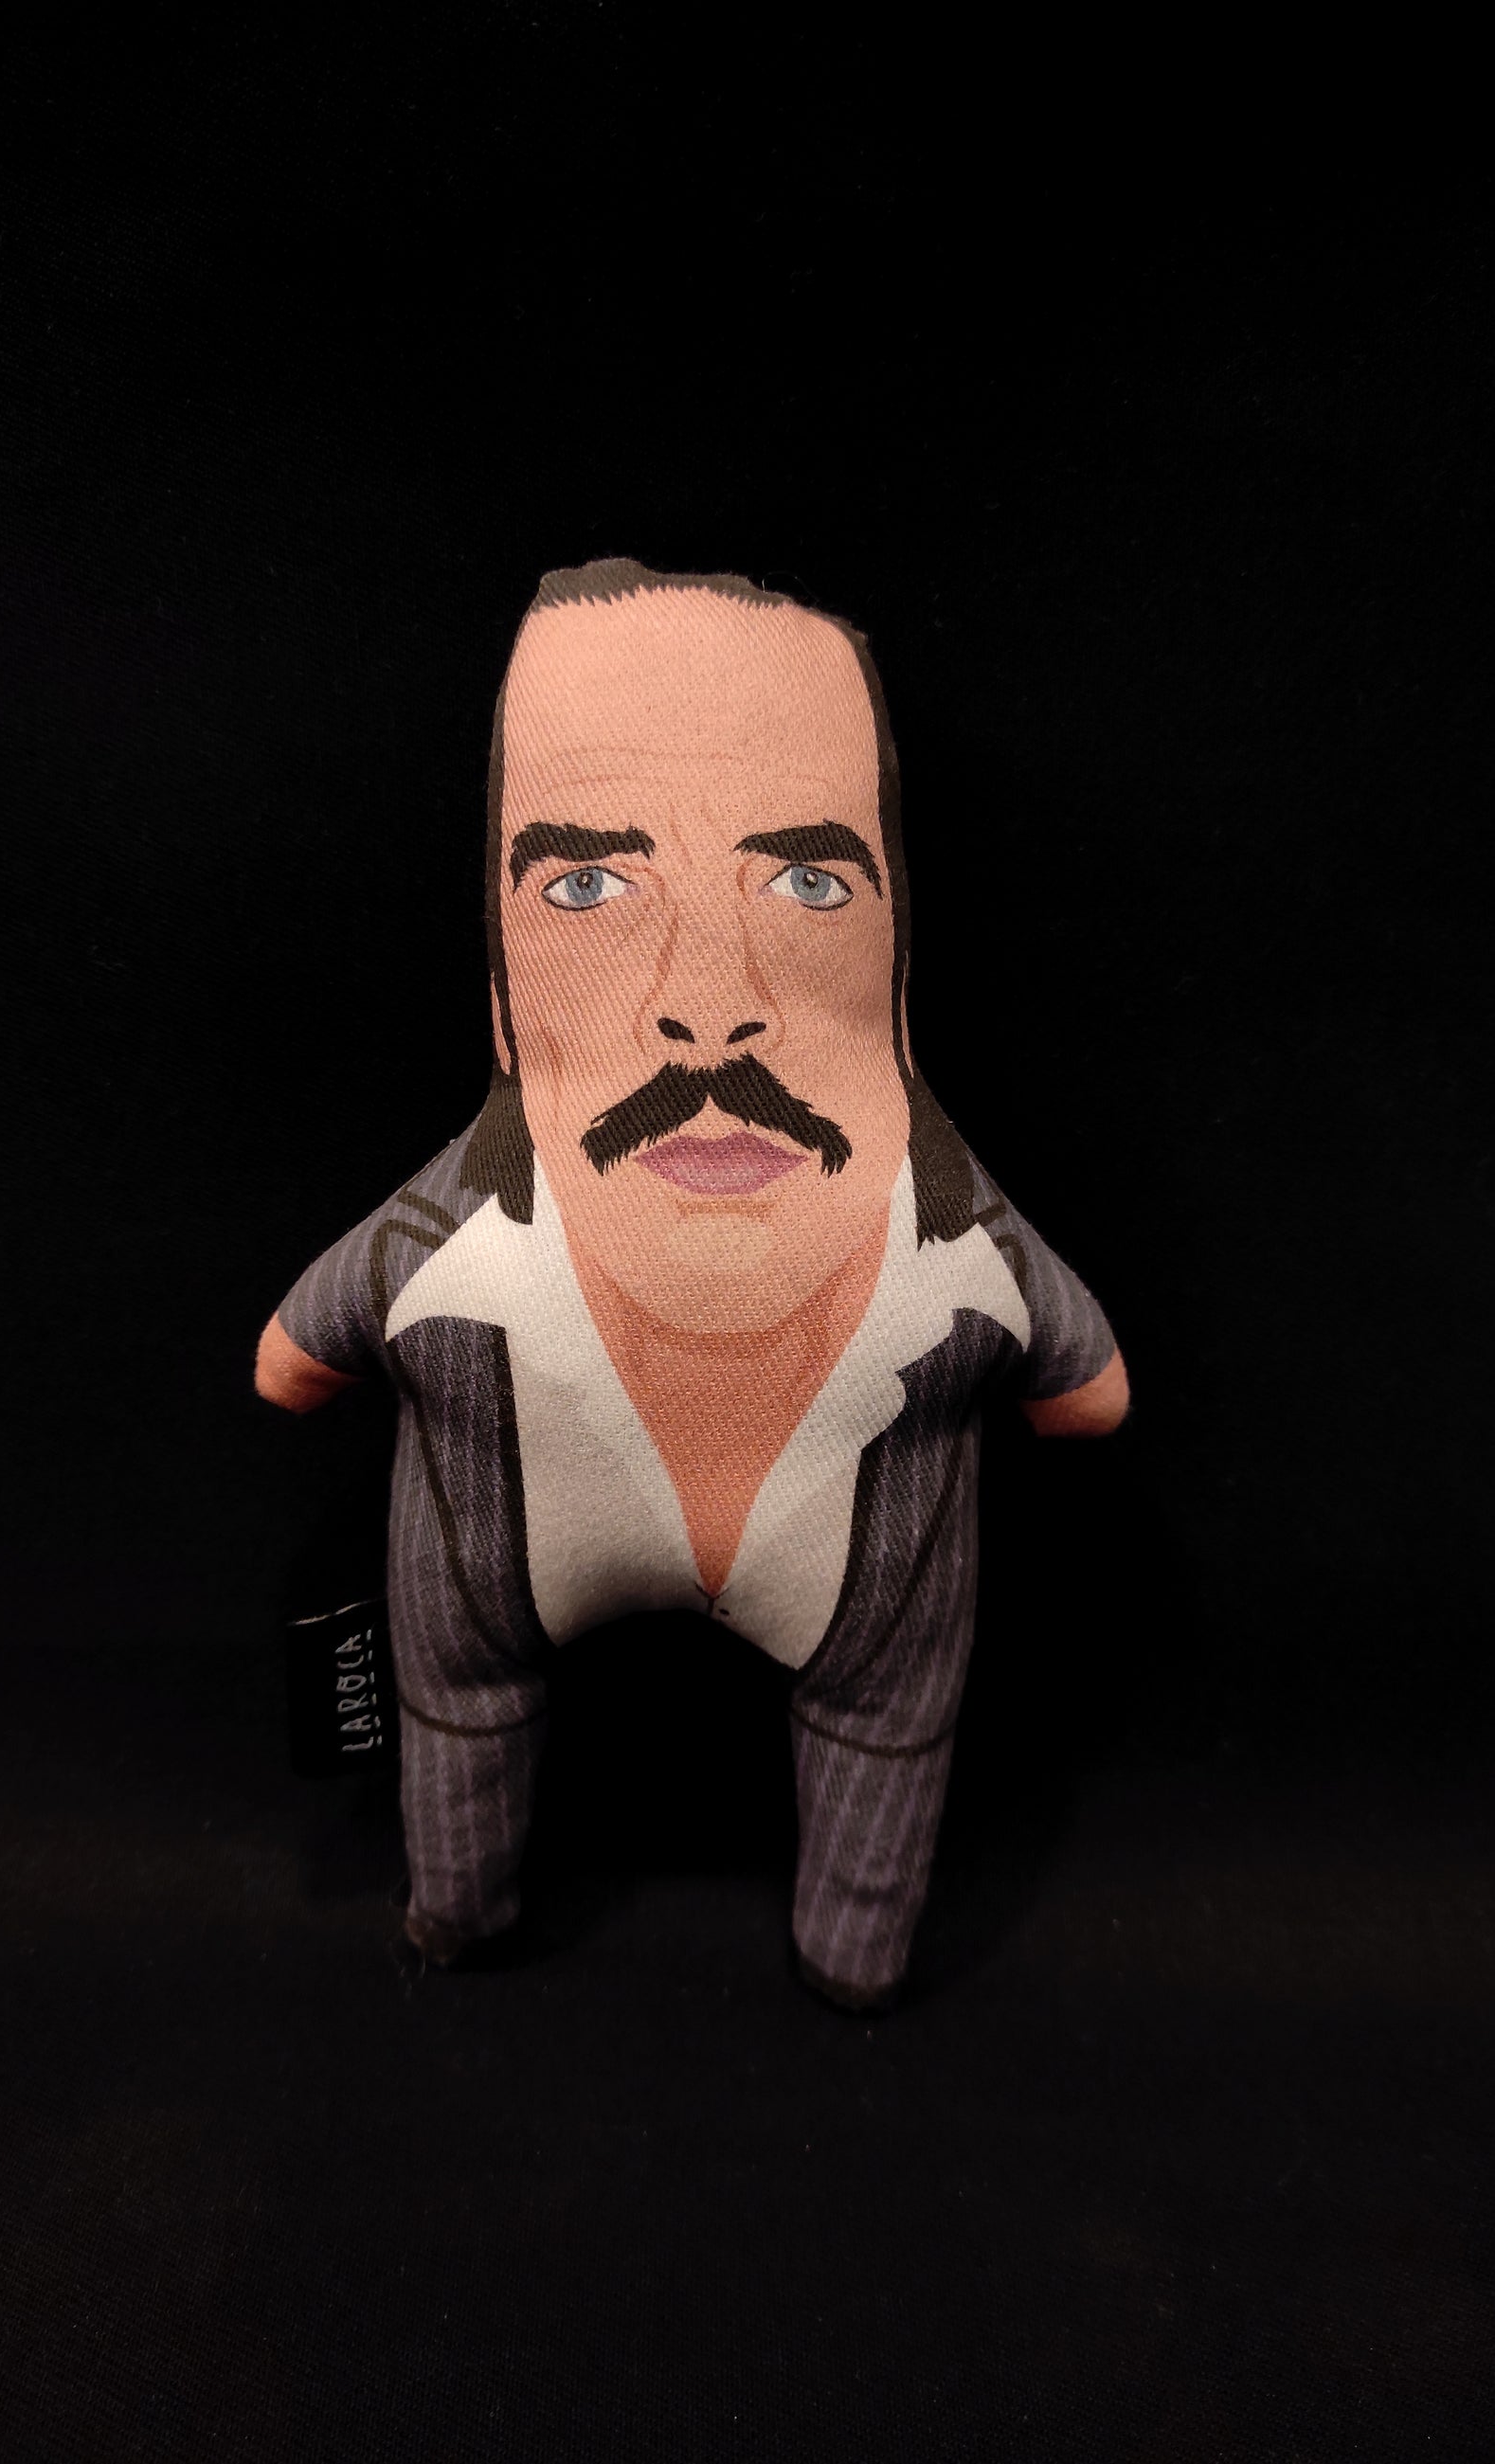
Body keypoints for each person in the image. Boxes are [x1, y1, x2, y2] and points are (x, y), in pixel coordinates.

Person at [256, 559, 1127, 2008]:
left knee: (846, 1714)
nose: (707, 1006)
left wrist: (301, 1345)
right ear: (502, 949)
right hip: (497, 1537)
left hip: (851, 1558)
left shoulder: (957, 1252)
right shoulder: (446, 1241)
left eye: (805, 880)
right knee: (469, 1700)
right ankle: (476, 1902)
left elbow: (290, 1357)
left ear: (889, 928)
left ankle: (819, 1932)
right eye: (588, 884)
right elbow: (1088, 1393)